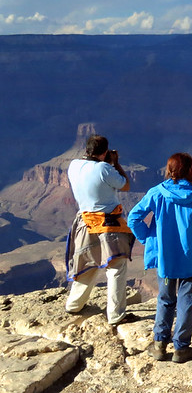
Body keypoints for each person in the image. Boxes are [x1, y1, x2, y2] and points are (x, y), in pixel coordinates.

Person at [128, 152, 192, 364]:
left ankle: (159, 346)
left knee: (165, 300)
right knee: (186, 301)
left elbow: (133, 218)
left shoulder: (156, 193)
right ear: (189, 170)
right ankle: (181, 348)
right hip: (191, 258)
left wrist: (149, 238)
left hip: (166, 259)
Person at [65, 134, 135, 326]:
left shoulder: (73, 165)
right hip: (108, 223)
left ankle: (74, 304)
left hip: (84, 221)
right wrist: (116, 163)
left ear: (86, 150)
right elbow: (125, 185)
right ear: (105, 152)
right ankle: (115, 315)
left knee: (87, 261)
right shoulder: (104, 168)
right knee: (116, 267)